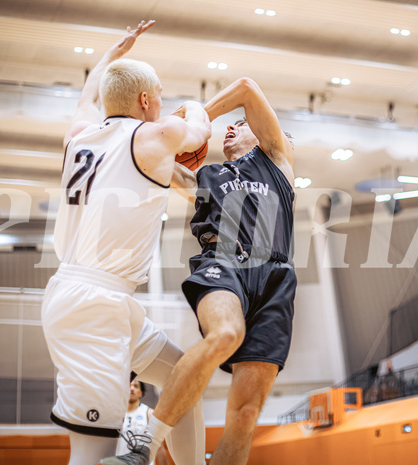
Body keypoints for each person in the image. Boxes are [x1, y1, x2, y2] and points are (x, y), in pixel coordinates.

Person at [41, 20, 210, 465]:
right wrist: (192, 105)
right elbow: (200, 131)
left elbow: (87, 97)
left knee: (183, 379)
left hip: (103, 301)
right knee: (93, 454)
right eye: (160, 96)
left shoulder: (78, 135)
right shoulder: (155, 135)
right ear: (146, 100)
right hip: (91, 307)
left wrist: (110, 54)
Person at [105, 77, 297, 465]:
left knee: (244, 417)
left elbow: (245, 88)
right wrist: (160, 143)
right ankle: (145, 444)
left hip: (274, 276)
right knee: (226, 332)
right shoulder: (208, 178)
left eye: (239, 125)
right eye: (229, 125)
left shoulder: (276, 159)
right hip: (222, 262)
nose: (231, 127)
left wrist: (198, 120)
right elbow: (161, 171)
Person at [116, 380, 169, 465]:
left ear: (141, 393)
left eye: (136, 386)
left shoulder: (149, 413)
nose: (132, 388)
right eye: (129, 386)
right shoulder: (116, 414)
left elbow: (159, 447)